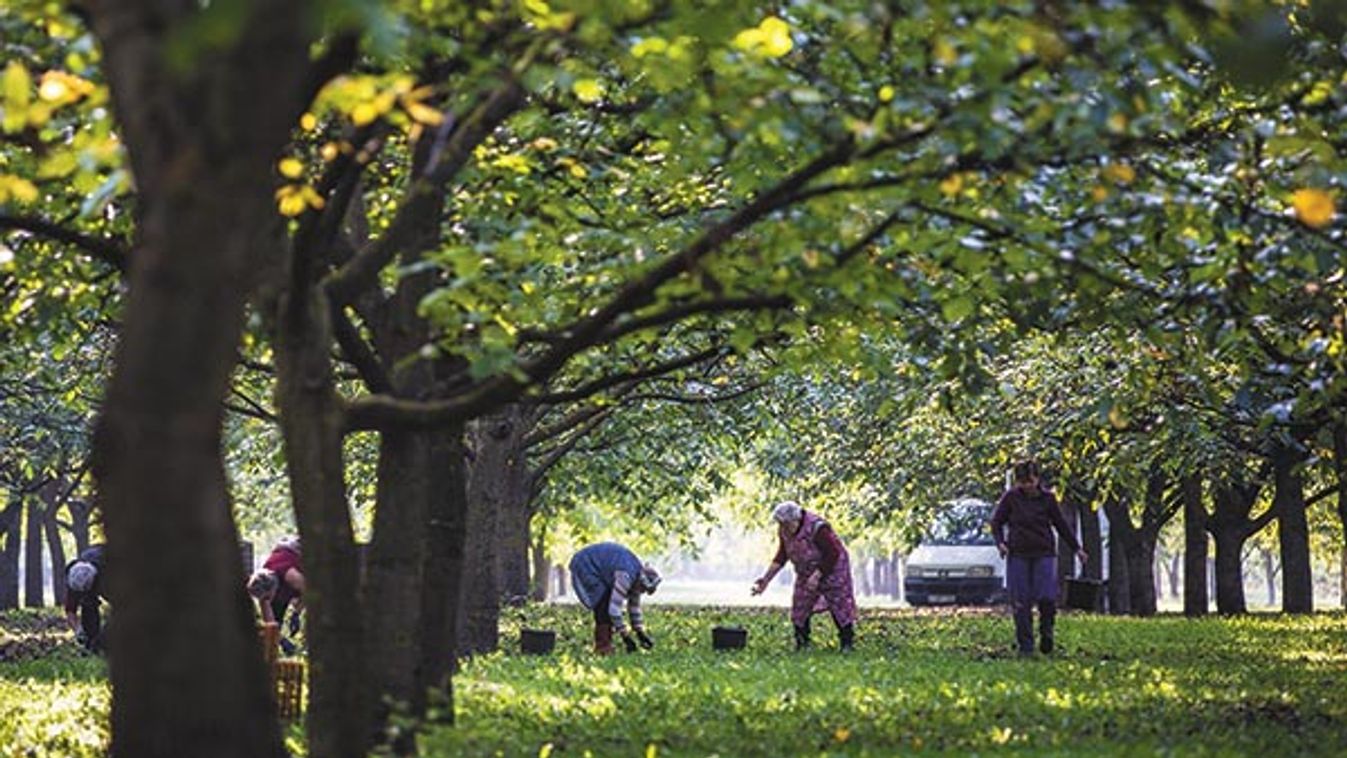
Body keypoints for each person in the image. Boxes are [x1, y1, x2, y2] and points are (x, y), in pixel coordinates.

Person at [989, 460, 1088, 656]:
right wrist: (1000, 543)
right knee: (1021, 601)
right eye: (1022, 482)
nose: (1027, 485)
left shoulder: (1048, 499)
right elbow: (996, 522)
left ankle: (1047, 632)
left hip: (1044, 553)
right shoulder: (1010, 499)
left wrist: (1077, 548)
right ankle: (1026, 645)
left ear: (1037, 479)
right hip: (1018, 554)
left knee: (1046, 597)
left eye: (1030, 481)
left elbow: (1061, 525)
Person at [752, 501, 857, 651]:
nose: (783, 528)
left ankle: (847, 643)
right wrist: (766, 580)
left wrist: (818, 575)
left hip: (833, 568)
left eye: (785, 524)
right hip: (805, 571)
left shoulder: (818, 528)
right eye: (780, 524)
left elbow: (833, 553)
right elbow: (782, 556)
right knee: (800, 604)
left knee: (839, 605)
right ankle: (802, 643)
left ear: (796, 519)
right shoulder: (785, 531)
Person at [568, 542, 660, 655]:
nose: (642, 592)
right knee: (603, 604)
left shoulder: (636, 576)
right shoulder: (625, 576)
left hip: (600, 566)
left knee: (607, 601)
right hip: (586, 564)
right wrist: (625, 636)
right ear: (641, 582)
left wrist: (639, 632)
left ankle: (606, 645)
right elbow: (614, 610)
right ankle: (603, 647)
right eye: (643, 589)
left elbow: (634, 607)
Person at [247, 536, 305, 651]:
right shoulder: (263, 586)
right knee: (276, 617)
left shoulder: (291, 576)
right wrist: (281, 640)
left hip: (305, 563)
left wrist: (296, 613)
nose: (265, 601)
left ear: (273, 588)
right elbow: (270, 623)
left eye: (267, 598)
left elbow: (310, 590)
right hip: (285, 587)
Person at [64, 543, 108, 653]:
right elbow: (70, 611)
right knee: (88, 604)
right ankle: (91, 645)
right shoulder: (75, 576)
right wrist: (78, 630)